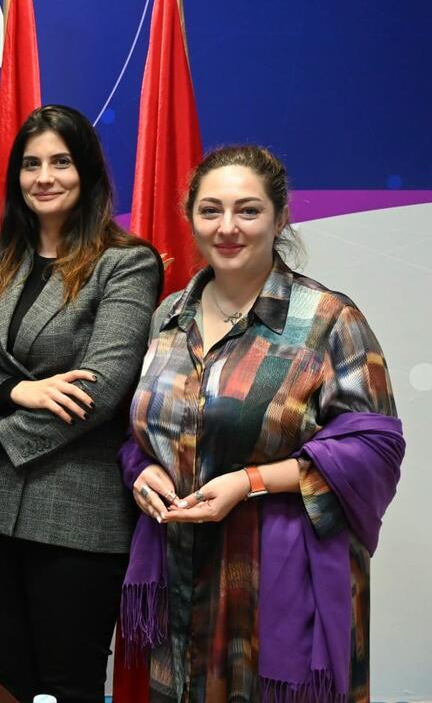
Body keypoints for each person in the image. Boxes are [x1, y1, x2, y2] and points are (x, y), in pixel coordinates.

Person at [120, 145, 403, 703]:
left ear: (280, 217)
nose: (227, 227)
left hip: (278, 581)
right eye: (211, 210)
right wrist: (141, 470)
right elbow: (140, 428)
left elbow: (374, 449)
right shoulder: (167, 316)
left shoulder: (329, 320)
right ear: (190, 217)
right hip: (180, 574)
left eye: (248, 210)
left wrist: (249, 482)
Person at [0, 105, 162, 703]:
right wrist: (20, 391)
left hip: (77, 510)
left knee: (69, 686)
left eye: (60, 162)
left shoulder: (126, 263)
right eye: (31, 164)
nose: (44, 177)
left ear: (86, 171)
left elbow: (101, 388)